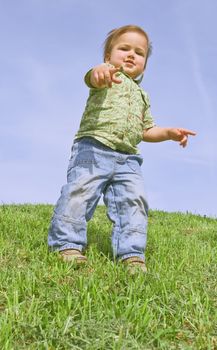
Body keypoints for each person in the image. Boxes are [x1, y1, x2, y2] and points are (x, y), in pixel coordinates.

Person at [48, 25, 196, 273]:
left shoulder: (142, 96)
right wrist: (99, 72)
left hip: (128, 159)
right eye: (123, 48)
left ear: (144, 65)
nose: (131, 55)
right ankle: (67, 244)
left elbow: (145, 131)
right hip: (94, 148)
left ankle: (132, 254)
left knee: (134, 202)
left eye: (139, 53)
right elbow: (92, 77)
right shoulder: (105, 75)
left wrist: (169, 133)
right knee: (80, 193)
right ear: (108, 57)